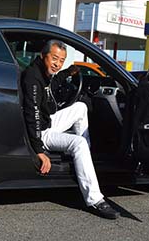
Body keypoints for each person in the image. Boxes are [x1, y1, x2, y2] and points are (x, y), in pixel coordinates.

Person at [21, 39, 120, 220]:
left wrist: (68, 72)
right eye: (54, 58)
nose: (57, 63)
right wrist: (39, 151)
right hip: (42, 133)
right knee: (79, 142)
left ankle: (84, 159)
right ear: (43, 56)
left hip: (48, 122)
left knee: (80, 108)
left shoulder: (43, 73)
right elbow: (32, 114)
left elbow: (54, 82)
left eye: (61, 60)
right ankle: (95, 199)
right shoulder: (32, 78)